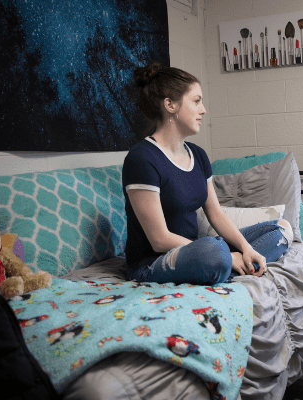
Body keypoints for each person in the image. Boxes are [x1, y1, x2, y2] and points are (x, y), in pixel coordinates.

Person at [122, 62, 292, 286]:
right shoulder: (142, 158)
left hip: (196, 250)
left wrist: (246, 249)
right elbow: (159, 240)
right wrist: (225, 255)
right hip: (154, 262)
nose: (203, 110)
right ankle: (224, 264)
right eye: (196, 101)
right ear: (170, 105)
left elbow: (216, 215)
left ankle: (230, 265)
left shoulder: (198, 155)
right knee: (214, 252)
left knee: (281, 229)